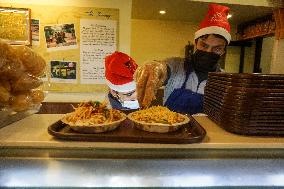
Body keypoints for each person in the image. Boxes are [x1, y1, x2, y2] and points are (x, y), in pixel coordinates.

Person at [135, 3, 231, 115]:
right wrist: (157, 67)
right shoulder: (177, 66)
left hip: (207, 132)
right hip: (169, 127)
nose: (208, 52)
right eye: (204, 45)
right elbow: (165, 69)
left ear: (223, 51)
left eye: (217, 49)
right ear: (196, 43)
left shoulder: (225, 81)